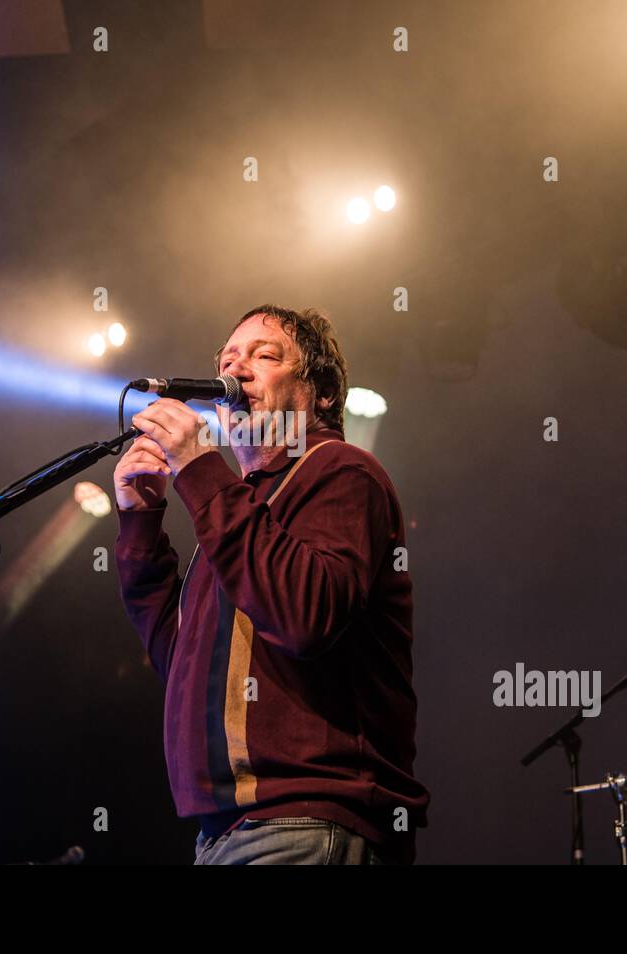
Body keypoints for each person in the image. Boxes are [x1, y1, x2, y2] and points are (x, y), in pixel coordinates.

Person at [113, 304, 429, 864]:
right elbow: (180, 659)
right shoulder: (238, 509)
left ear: (322, 393)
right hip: (223, 832)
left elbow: (306, 617)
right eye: (229, 359)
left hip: (307, 819)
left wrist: (199, 468)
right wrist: (140, 522)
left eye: (265, 356)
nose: (237, 372)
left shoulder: (341, 472)